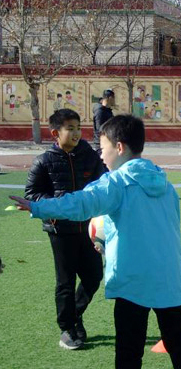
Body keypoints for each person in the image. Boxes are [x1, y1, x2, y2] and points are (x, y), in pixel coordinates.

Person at [11, 115, 181, 369]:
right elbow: (160, 229)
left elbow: (80, 204)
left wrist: (39, 207)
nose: (100, 155)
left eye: (103, 148)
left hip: (133, 281)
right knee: (180, 347)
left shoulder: (116, 183)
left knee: (128, 354)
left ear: (119, 147)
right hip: (169, 278)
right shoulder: (166, 185)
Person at [23, 108, 105, 350]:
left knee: (94, 276)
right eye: (70, 128)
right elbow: (32, 195)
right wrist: (59, 203)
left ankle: (75, 314)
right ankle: (67, 329)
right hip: (60, 232)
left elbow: (103, 184)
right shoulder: (44, 161)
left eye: (79, 128)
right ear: (55, 133)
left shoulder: (89, 156)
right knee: (65, 282)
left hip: (87, 230)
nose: (76, 133)